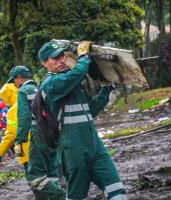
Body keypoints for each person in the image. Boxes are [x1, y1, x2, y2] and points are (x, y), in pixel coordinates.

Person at [38, 41, 127, 199]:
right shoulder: (50, 84)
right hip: (73, 150)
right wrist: (84, 57)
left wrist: (107, 90)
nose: (61, 60)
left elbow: (91, 109)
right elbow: (77, 74)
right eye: (55, 58)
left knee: (117, 190)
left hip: (94, 145)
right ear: (45, 63)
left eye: (62, 56)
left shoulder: (73, 84)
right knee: (76, 196)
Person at [7, 65, 66, 199]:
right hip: (53, 133)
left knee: (35, 176)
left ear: (19, 78)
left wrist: (19, 140)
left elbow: (24, 118)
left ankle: (64, 197)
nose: (14, 84)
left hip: (38, 134)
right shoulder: (41, 87)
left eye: (14, 81)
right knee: (52, 173)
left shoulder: (23, 91)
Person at [0, 83, 28, 163]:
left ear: (7, 97)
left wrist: (0, 153)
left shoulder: (13, 110)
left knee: (33, 174)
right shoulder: (29, 99)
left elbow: (10, 134)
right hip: (44, 143)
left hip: (27, 147)